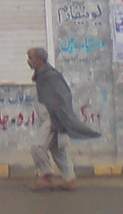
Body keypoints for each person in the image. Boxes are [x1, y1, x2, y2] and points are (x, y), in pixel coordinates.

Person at [26, 46, 101, 192]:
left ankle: (47, 177)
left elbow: (62, 96)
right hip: (52, 118)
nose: (28, 61)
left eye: (31, 58)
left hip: (53, 118)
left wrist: (58, 116)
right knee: (58, 149)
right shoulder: (42, 75)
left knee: (37, 146)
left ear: (40, 60)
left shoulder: (51, 76)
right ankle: (69, 180)